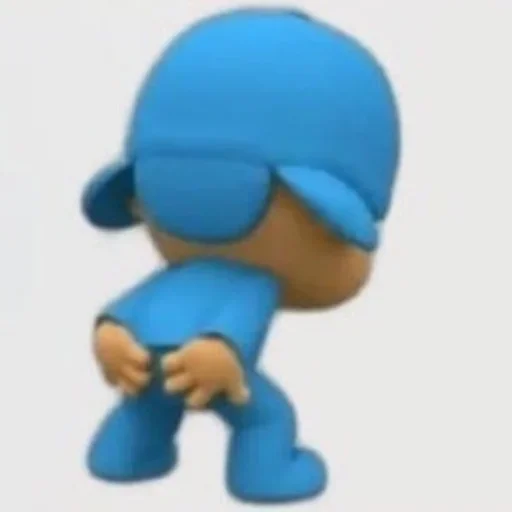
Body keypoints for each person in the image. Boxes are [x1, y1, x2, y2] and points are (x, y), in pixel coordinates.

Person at [81, 7, 400, 504]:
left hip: (149, 369)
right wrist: (218, 354)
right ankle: (263, 475)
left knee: (143, 412)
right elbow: (230, 328)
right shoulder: (250, 280)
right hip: (212, 374)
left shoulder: (177, 275)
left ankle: (127, 455)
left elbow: (125, 313)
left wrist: (113, 341)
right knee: (267, 419)